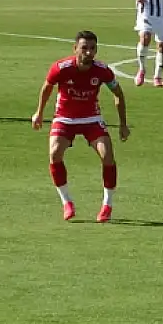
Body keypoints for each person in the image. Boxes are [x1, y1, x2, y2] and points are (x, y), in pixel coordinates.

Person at [31, 30, 128, 223]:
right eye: (84, 48)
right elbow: (47, 88)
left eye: (92, 48)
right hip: (65, 117)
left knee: (107, 155)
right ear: (75, 49)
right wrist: (39, 112)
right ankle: (67, 202)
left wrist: (123, 124)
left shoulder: (102, 71)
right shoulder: (61, 67)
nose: (89, 53)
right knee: (55, 153)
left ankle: (107, 205)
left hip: (91, 118)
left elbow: (118, 93)